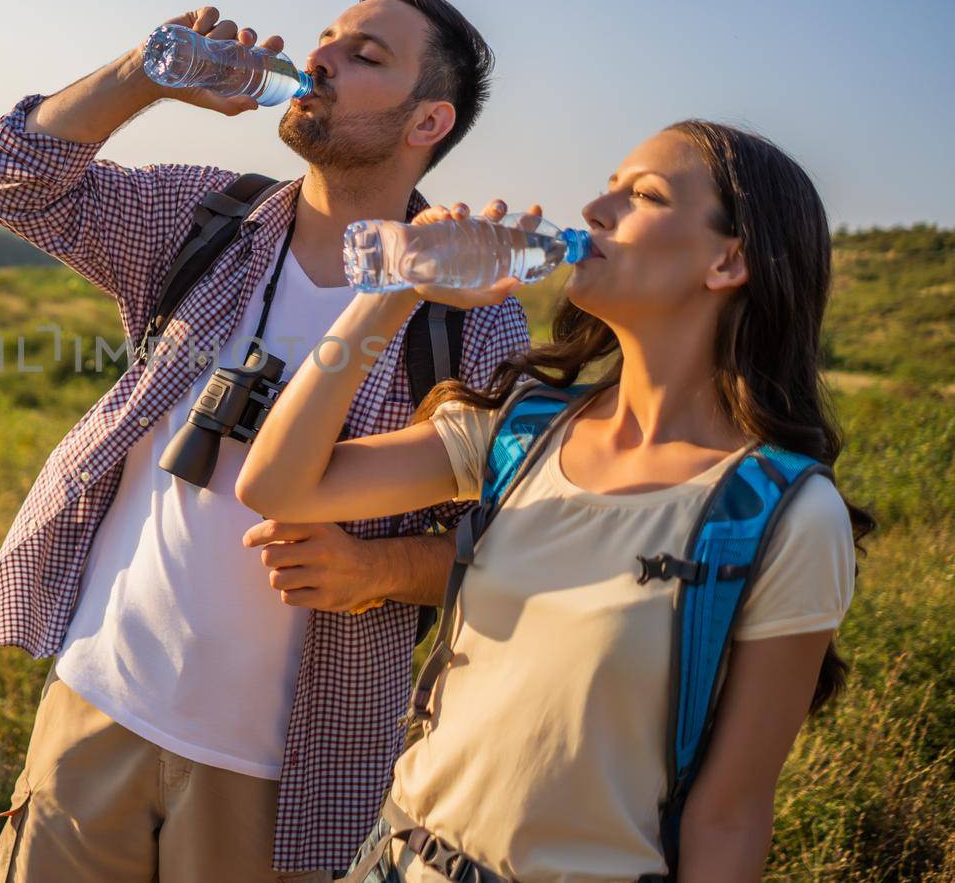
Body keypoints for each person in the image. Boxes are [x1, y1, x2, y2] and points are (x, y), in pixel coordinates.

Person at [0, 0, 531, 882]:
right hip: (95, 702)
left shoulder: (472, 313)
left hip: (288, 774)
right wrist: (144, 74)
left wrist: (383, 568)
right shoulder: (206, 219)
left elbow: (518, 541)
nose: (320, 62)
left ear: (429, 122)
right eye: (328, 39)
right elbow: (15, 176)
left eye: (365, 57)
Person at [234, 124, 872, 882]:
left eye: (644, 195)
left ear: (728, 259)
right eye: (609, 185)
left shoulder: (780, 513)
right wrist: (393, 291)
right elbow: (277, 484)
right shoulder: (523, 428)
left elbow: (728, 815)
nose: (596, 209)